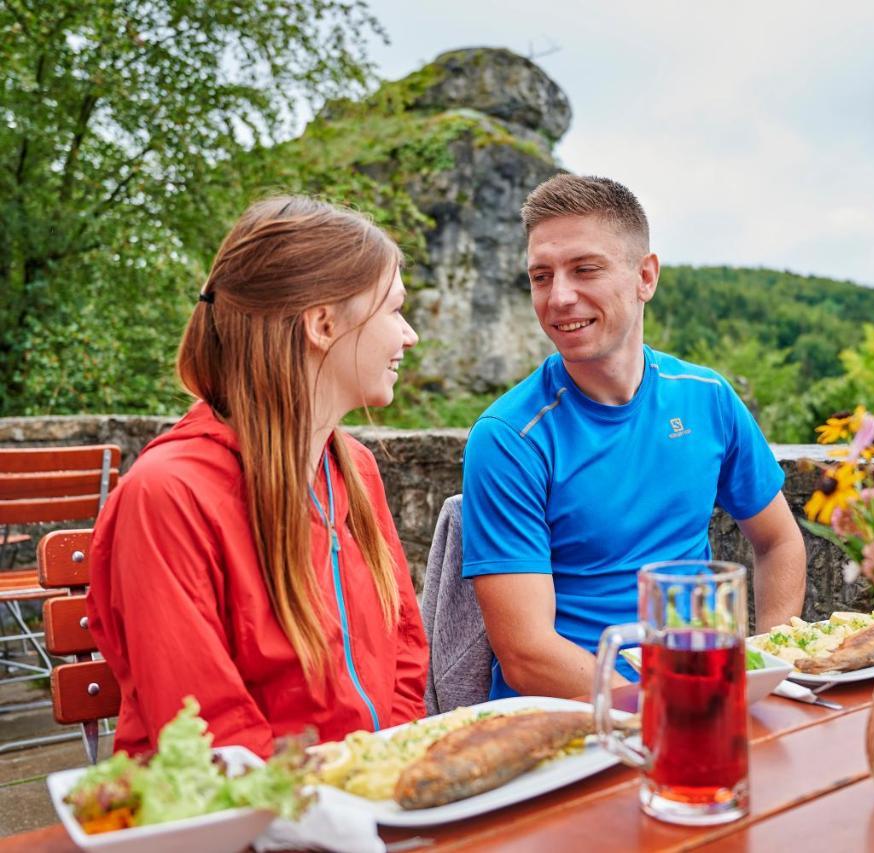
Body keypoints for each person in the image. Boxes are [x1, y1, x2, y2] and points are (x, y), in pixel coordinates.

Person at [88, 197, 429, 758]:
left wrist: (386, 771)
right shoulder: (168, 495)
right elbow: (208, 732)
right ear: (322, 324)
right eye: (393, 310)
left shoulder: (355, 471)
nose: (408, 335)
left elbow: (406, 651)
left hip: (366, 804)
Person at [461, 175, 806, 699]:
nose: (559, 297)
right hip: (571, 719)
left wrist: (768, 668)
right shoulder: (510, 436)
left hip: (702, 692)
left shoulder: (706, 397)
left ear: (645, 276)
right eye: (540, 276)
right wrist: (670, 704)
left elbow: (778, 541)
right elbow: (527, 655)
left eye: (585, 270)